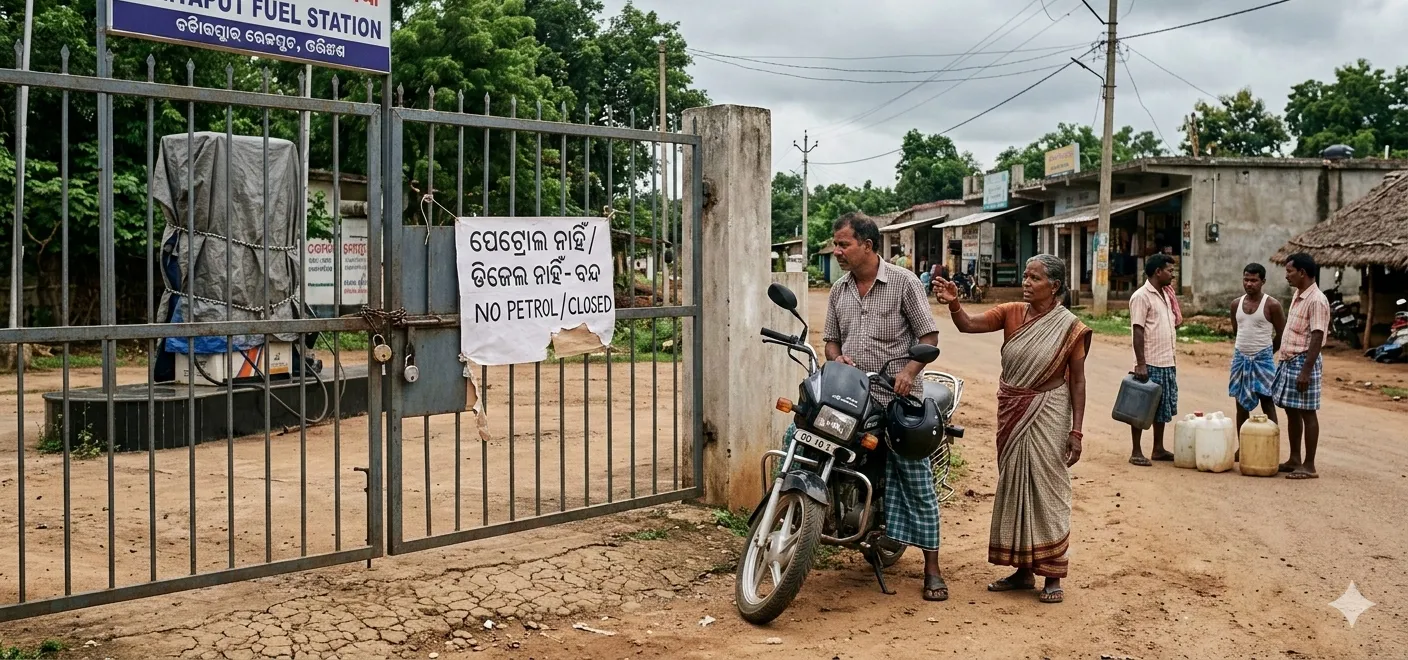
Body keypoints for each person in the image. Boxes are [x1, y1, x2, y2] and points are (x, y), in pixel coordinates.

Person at [934, 254, 1090, 605]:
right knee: (1014, 486)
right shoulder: (1011, 312)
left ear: (1055, 286)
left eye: (1035, 278)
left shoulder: (1070, 327)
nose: (1027, 282)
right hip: (1012, 409)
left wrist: (1076, 431)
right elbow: (969, 326)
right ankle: (1022, 571)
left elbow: (1077, 381)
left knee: (1048, 489)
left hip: (1049, 410)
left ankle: (1052, 573)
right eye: (1025, 275)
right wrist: (955, 302)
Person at [821, 212, 948, 601]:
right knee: (800, 432)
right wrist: (836, 358)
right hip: (851, 395)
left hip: (895, 398)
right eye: (836, 244)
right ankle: (793, 517)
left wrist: (910, 371)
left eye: (844, 244)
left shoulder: (904, 282)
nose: (837, 251)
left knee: (914, 476)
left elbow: (928, 334)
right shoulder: (838, 291)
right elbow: (830, 341)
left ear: (868, 246)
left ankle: (932, 567)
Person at [1274, 253, 1330, 480]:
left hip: (1304, 361)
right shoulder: (1299, 295)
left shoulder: (1316, 300)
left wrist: (1306, 371)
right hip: (1289, 360)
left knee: (1308, 413)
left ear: (1302, 273)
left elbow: (1317, 336)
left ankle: (1309, 465)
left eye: (1289, 271)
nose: (1286, 275)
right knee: (1291, 410)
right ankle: (1294, 459)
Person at [1128, 254, 1180, 466]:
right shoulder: (1141, 296)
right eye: (1169, 270)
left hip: (1167, 359)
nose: (1172, 274)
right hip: (1150, 362)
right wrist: (1141, 363)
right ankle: (1136, 451)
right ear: (1158, 271)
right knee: (1142, 406)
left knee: (1163, 406)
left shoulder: (1166, 294)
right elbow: (1138, 330)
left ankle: (1158, 448)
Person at [1228, 263, 1285, 439]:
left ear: (1263, 281)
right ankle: (1243, 448)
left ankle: (1272, 445)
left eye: (1254, 280)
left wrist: (1267, 352)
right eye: (1246, 279)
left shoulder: (1272, 305)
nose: (1249, 284)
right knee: (1240, 404)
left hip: (1263, 360)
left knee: (1267, 402)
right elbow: (1237, 332)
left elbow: (1282, 334)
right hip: (1240, 359)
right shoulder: (1236, 304)